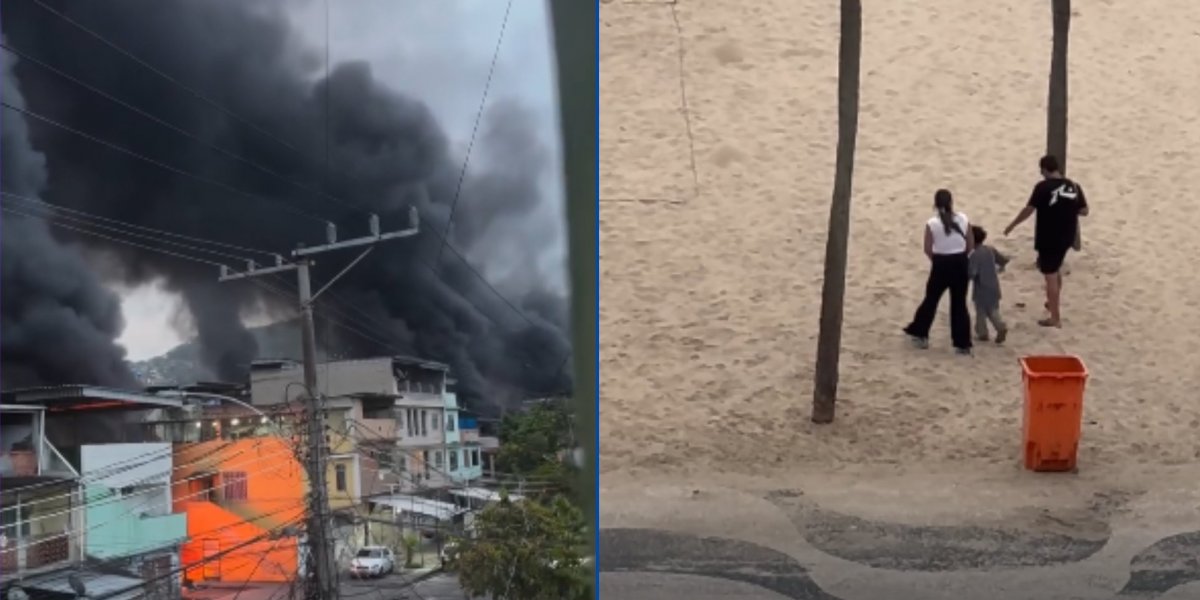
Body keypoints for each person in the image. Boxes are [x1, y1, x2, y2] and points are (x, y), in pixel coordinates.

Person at [1003, 155, 1089, 328]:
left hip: (1049, 237)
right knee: (1056, 269)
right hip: (1067, 236)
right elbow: (1084, 211)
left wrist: (1012, 225)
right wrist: (1066, 210)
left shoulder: (1042, 187)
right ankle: (1052, 303)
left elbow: (1029, 209)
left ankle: (1055, 317)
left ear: (1044, 169)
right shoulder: (1074, 186)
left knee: (1050, 275)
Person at [903, 189, 974, 354]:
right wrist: (963, 258)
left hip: (941, 262)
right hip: (960, 261)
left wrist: (937, 261)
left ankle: (920, 334)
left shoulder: (932, 223)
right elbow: (970, 244)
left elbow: (927, 248)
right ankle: (962, 344)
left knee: (931, 299)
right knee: (959, 303)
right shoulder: (963, 219)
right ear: (951, 202)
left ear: (935, 204)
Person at [968, 225, 1010, 344]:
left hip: (981, 288)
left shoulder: (974, 255)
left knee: (982, 311)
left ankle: (985, 332)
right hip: (994, 286)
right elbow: (1003, 260)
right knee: (993, 308)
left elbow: (972, 273)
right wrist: (1000, 268)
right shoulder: (990, 249)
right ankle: (994, 328)